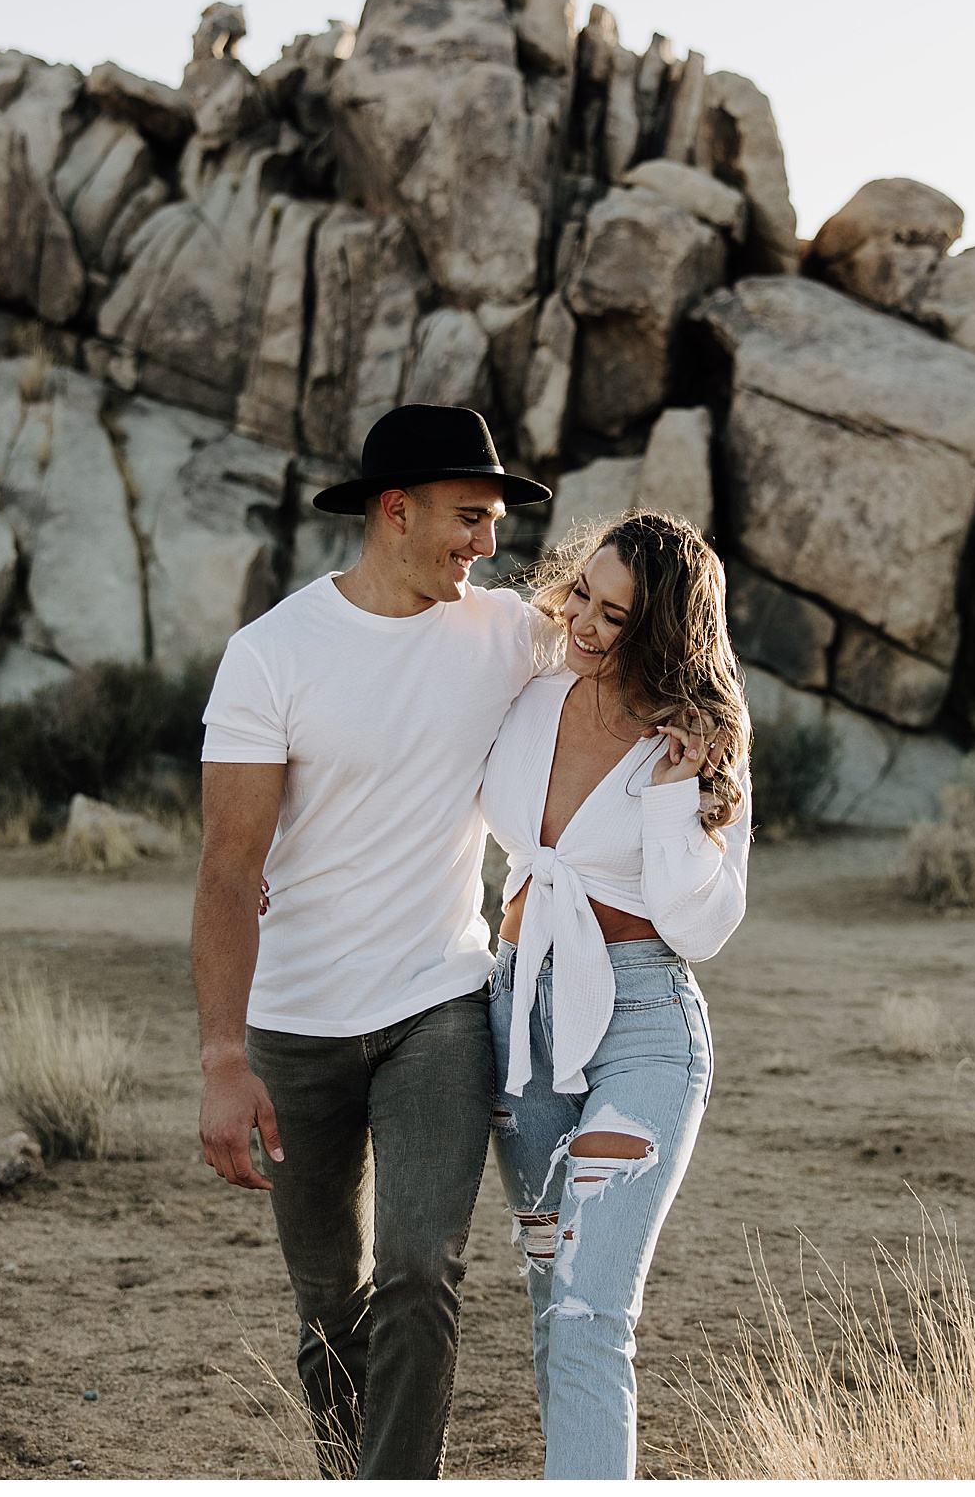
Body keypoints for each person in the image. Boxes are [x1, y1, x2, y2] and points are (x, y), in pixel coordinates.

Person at [190, 404, 555, 1479]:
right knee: (329, 1302)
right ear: (395, 511)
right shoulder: (271, 656)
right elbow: (226, 866)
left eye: (493, 521)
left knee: (420, 1265)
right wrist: (222, 1059)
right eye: (470, 517)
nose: (488, 546)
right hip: (293, 1026)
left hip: (437, 1005)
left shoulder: (511, 636)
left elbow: (624, 668)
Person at [481, 510, 754, 1480]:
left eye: (615, 615)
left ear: (665, 631)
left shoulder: (700, 737)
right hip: (518, 1016)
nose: (586, 626)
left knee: (595, 1307)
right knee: (550, 1291)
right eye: (581, 599)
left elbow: (703, 926)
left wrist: (679, 792)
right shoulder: (530, 684)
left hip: (641, 1025)